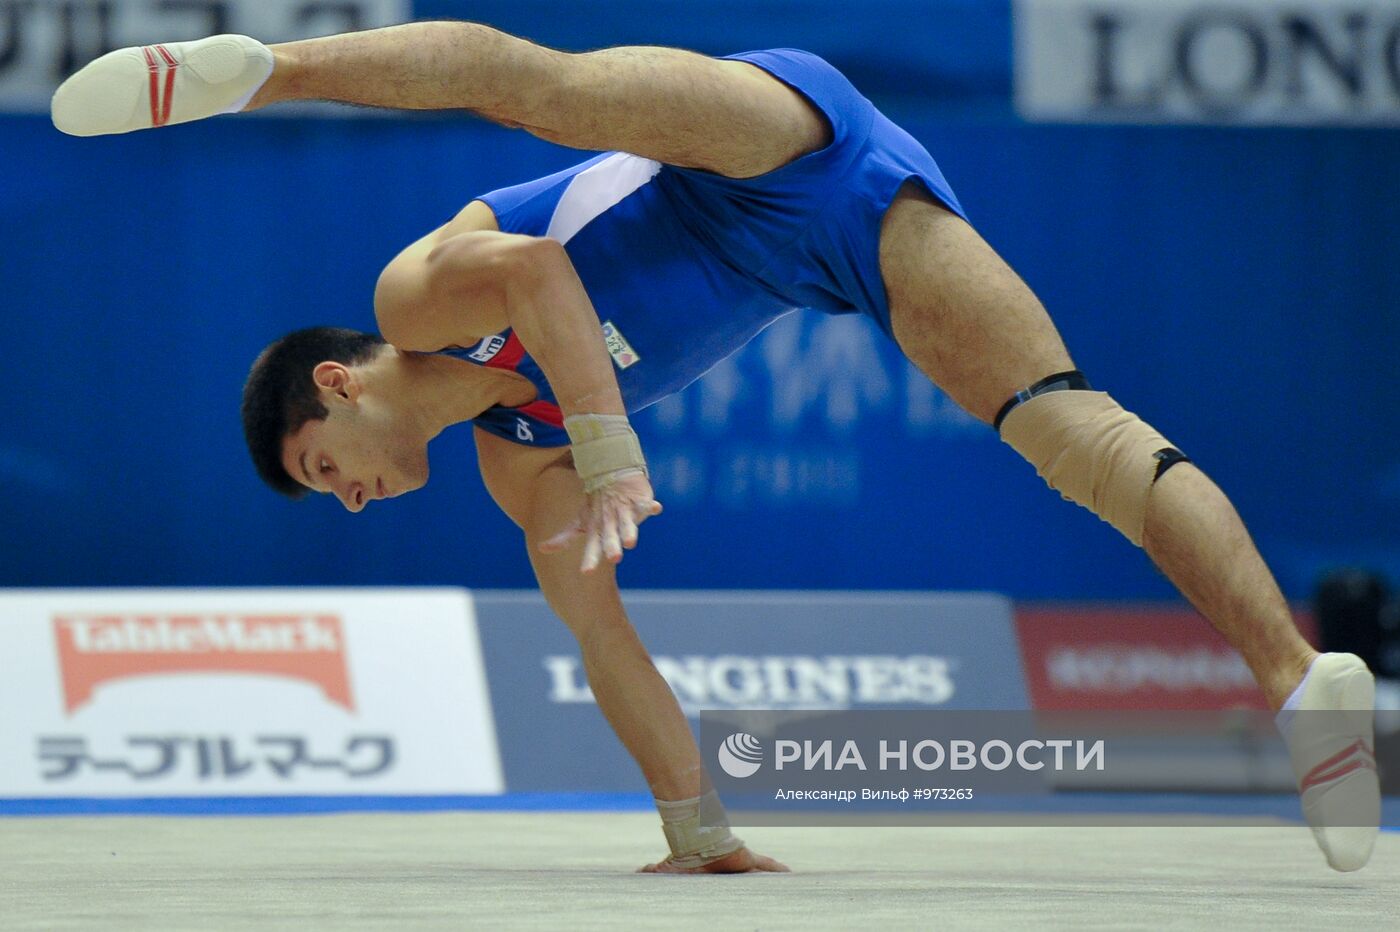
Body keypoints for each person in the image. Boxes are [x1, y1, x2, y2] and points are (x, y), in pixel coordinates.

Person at [53, 22, 1378, 873]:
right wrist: (695, 825)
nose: (348, 499)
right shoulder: (516, 462)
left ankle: (268, 70)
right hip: (842, 249)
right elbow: (602, 636)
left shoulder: (411, 305)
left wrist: (607, 444)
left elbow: (538, 275)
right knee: (1070, 436)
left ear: (336, 385)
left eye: (321, 467)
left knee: (550, 91)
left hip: (743, 147)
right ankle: (1300, 677)